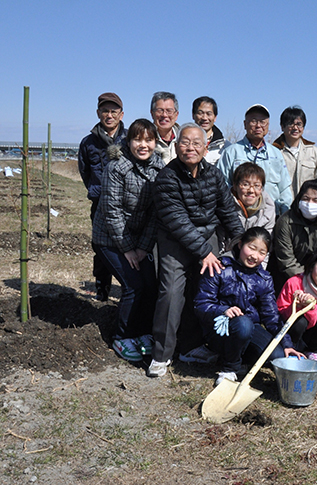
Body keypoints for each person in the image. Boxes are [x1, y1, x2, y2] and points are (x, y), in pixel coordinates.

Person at [148, 123, 244, 378]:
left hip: (207, 240)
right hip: (174, 240)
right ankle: (161, 354)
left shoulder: (213, 174)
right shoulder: (166, 177)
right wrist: (204, 251)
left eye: (196, 143)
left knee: (204, 293)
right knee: (171, 292)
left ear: (204, 148)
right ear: (177, 146)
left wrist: (240, 241)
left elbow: (226, 209)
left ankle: (192, 346)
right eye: (185, 142)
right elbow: (176, 219)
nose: (190, 147)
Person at [92, 119, 164, 362]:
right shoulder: (117, 167)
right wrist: (128, 250)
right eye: (137, 140)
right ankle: (122, 337)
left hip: (137, 240)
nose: (143, 145)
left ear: (155, 142)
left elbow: (156, 214)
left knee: (150, 284)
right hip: (110, 238)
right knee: (133, 285)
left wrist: (143, 248)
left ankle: (142, 333)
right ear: (129, 141)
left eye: (149, 140)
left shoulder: (158, 168)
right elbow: (111, 211)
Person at [194, 227, 302, 385]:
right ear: (240, 244)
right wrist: (223, 310)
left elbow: (271, 315)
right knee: (243, 324)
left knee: (276, 356)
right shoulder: (220, 267)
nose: (255, 256)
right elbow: (201, 304)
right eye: (251, 248)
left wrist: (286, 343)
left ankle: (238, 358)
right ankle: (229, 369)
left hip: (250, 329)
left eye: (261, 252)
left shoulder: (264, 279)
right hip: (220, 329)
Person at [79, 92, 127, 301]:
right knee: (101, 246)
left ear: (121, 114)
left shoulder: (130, 139)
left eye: (113, 111)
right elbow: (84, 171)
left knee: (126, 244)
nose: (109, 115)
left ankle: (128, 287)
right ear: (98, 113)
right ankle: (102, 288)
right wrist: (96, 189)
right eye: (105, 111)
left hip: (127, 204)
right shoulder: (88, 142)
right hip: (99, 203)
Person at [218, 104, 293, 214]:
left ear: (268, 125)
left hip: (271, 217)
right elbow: (222, 185)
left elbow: (285, 188)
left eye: (262, 122)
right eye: (253, 121)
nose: (258, 126)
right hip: (239, 216)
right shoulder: (231, 152)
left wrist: (283, 212)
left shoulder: (276, 154)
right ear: (245, 124)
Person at [276, 250, 317, 364]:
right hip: (288, 329)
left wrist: (310, 307)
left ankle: (311, 350)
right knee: (300, 322)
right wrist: (296, 306)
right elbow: (279, 313)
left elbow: (314, 321)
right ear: (312, 266)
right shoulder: (294, 282)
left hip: (309, 330)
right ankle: (291, 348)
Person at [271, 179, 317, 290]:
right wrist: (302, 281)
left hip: (316, 277)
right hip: (284, 275)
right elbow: (286, 259)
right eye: (306, 199)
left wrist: (313, 280)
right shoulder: (286, 221)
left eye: (316, 200)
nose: (310, 203)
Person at [227, 163, 276, 267]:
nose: (251, 191)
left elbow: (265, 248)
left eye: (257, 186)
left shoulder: (268, 209)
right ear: (235, 186)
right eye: (245, 184)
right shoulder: (224, 206)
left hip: (254, 264)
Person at [272, 106, 317, 195]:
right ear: (282, 127)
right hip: (282, 205)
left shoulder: (314, 152)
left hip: (306, 204)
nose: (295, 128)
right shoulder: (274, 152)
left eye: (299, 124)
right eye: (290, 124)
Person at [192, 96, 231, 165]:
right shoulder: (184, 144)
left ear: (215, 117)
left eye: (209, 114)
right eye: (200, 113)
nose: (204, 118)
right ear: (193, 115)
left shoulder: (226, 147)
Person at [150, 91, 180, 164]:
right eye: (160, 110)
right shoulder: (144, 139)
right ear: (152, 114)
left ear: (176, 115)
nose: (164, 115)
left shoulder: (183, 138)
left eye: (169, 111)